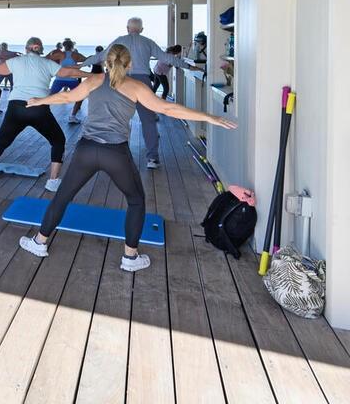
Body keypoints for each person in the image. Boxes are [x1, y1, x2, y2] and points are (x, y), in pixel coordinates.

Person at [18, 43, 236, 271]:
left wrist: (39, 100)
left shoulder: (94, 80)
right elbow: (167, 109)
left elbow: (66, 97)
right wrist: (209, 117)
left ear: (106, 62)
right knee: (136, 200)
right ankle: (130, 258)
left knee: (62, 196)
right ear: (129, 64)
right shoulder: (136, 87)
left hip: (86, 150)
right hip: (115, 153)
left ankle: (39, 242)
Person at [0, 36, 87, 190]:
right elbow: (69, 72)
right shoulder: (47, 63)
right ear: (40, 50)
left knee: (2, 141)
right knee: (58, 140)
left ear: (26, 48)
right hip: (39, 108)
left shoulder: (16, 61)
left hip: (16, 108)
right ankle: (53, 181)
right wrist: (93, 76)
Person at [86, 17, 202, 169]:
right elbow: (166, 58)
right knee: (148, 121)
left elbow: (100, 56)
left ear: (127, 28)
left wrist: (80, 64)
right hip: (142, 83)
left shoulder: (119, 40)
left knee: (116, 119)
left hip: (122, 81)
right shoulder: (148, 42)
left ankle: (113, 156)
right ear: (141, 29)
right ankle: (152, 158)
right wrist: (188, 66)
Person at [46, 39, 88, 124]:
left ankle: (43, 114)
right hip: (72, 80)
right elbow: (87, 59)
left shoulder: (60, 54)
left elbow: (46, 59)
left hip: (59, 80)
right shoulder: (76, 55)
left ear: (64, 46)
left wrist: (51, 54)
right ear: (72, 46)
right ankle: (72, 117)